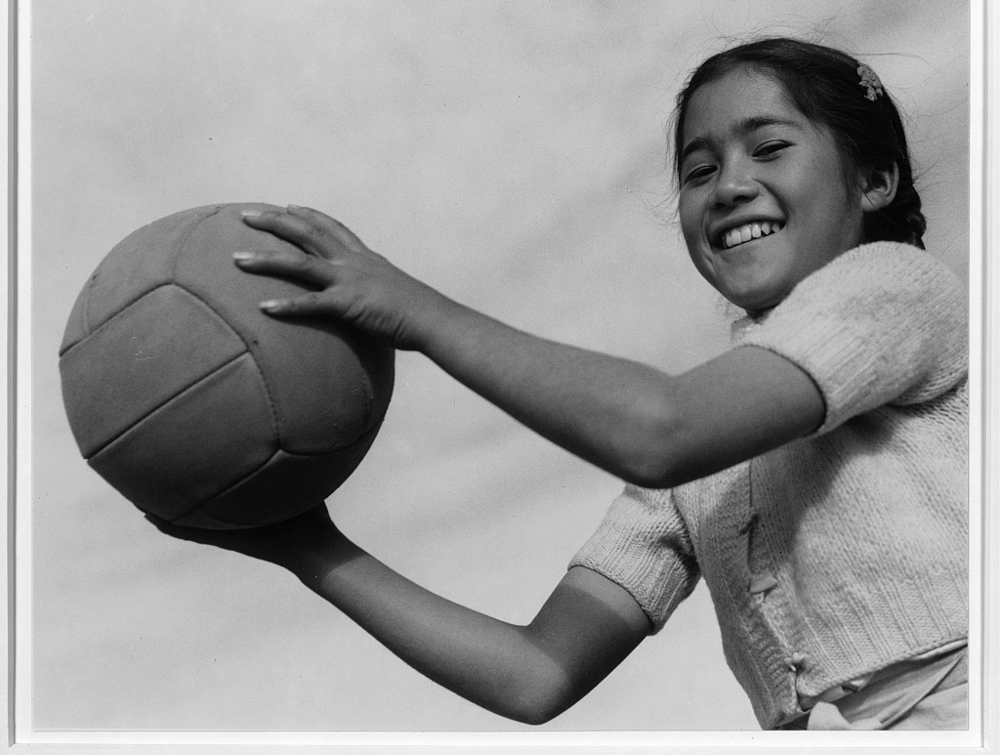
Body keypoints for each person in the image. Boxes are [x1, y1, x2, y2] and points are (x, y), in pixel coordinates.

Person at [150, 37, 969, 731]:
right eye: (698, 167)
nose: (728, 185)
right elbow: (534, 673)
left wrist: (417, 311)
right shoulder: (701, 480)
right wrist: (307, 546)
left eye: (769, 146)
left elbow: (661, 429)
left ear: (874, 182)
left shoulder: (897, 290)